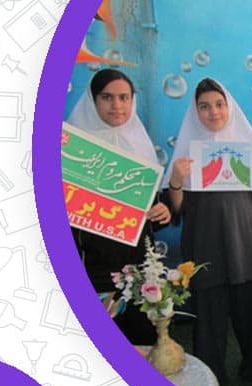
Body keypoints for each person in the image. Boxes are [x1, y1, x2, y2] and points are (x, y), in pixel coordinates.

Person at [164, 77, 252, 386]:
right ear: (195, 112)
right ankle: (210, 374)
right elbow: (177, 208)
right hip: (205, 243)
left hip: (243, 241)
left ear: (229, 107)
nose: (213, 112)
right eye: (204, 107)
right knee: (209, 315)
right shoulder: (187, 153)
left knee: (250, 309)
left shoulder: (248, 148)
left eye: (219, 104)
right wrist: (176, 180)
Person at [67, 68, 171, 345]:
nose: (117, 105)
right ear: (93, 100)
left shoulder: (139, 143)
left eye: (124, 97)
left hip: (139, 268)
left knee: (144, 343)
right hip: (93, 269)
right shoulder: (71, 150)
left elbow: (152, 212)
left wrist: (162, 212)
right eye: (107, 97)